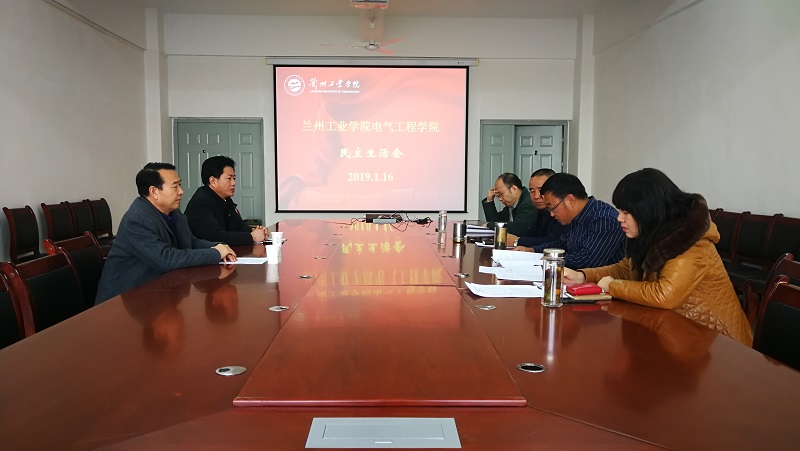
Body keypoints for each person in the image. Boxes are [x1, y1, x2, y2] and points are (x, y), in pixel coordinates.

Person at [563, 168, 752, 345]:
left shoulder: (690, 243)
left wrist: (612, 286)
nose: (619, 218)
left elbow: (664, 294)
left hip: (719, 343)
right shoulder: (650, 233)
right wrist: (582, 276)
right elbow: (626, 268)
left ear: (648, 212)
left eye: (626, 212)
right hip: (677, 332)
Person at [96, 163, 237, 304]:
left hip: (158, 293)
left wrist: (218, 246)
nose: (181, 191)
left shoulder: (174, 212)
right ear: (154, 192)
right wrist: (215, 253)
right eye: (175, 187)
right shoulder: (137, 219)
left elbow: (190, 242)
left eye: (180, 185)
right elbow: (165, 259)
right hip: (123, 302)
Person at [521, 173, 626, 268]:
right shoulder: (576, 216)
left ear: (570, 200)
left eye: (552, 208)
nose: (552, 214)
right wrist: (533, 250)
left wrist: (551, 259)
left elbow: (588, 261)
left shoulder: (605, 219)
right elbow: (561, 243)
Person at [185, 156, 268, 245]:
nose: (234, 183)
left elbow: (237, 226)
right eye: (229, 178)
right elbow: (215, 237)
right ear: (213, 181)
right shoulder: (200, 204)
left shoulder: (225, 199)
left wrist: (254, 231)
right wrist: (251, 237)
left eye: (234, 178)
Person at [507, 168, 567, 248]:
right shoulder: (539, 211)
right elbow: (532, 235)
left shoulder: (562, 211)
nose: (536, 196)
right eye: (532, 191)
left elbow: (554, 242)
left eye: (541, 190)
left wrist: (517, 241)